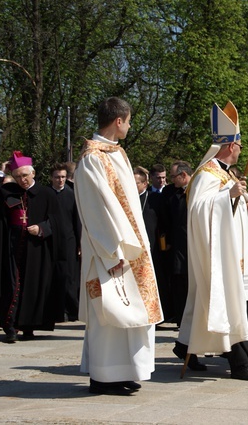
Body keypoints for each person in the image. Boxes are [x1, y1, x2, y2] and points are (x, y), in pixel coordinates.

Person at [176, 101, 248, 381]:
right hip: (216, 254)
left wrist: (247, 206)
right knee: (228, 304)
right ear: (231, 146)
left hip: (232, 251)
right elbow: (198, 210)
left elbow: (231, 206)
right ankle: (241, 364)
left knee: (218, 304)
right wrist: (229, 196)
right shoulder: (207, 173)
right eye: (240, 146)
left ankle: (184, 347)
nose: (241, 152)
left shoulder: (226, 174)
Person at [74, 97, 163, 395]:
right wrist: (112, 250)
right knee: (109, 313)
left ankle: (123, 370)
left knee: (131, 314)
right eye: (129, 120)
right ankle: (102, 377)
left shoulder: (117, 153)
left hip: (132, 249)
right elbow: (96, 209)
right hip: (111, 251)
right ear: (119, 121)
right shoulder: (92, 158)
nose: (130, 125)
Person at [0, 153, 63, 343]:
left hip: (36, 249)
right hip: (12, 248)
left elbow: (58, 221)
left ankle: (29, 326)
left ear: (33, 173)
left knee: (32, 287)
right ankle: (10, 327)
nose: (22, 180)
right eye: (18, 176)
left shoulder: (46, 193)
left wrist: (42, 228)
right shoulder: (8, 191)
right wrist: (1, 172)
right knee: (12, 286)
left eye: (25, 175)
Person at [159, 161, 192, 328]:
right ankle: (181, 318)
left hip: (193, 245)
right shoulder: (170, 192)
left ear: (183, 175)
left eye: (173, 177)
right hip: (176, 245)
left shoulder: (198, 189)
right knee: (178, 281)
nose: (171, 180)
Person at [50, 162, 82, 322]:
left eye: (63, 177)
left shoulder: (72, 194)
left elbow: (78, 221)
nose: (60, 180)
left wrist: (80, 244)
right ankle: (56, 310)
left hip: (69, 241)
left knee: (70, 277)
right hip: (50, 242)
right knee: (54, 276)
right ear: (52, 178)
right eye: (57, 177)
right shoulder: (47, 194)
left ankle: (72, 310)